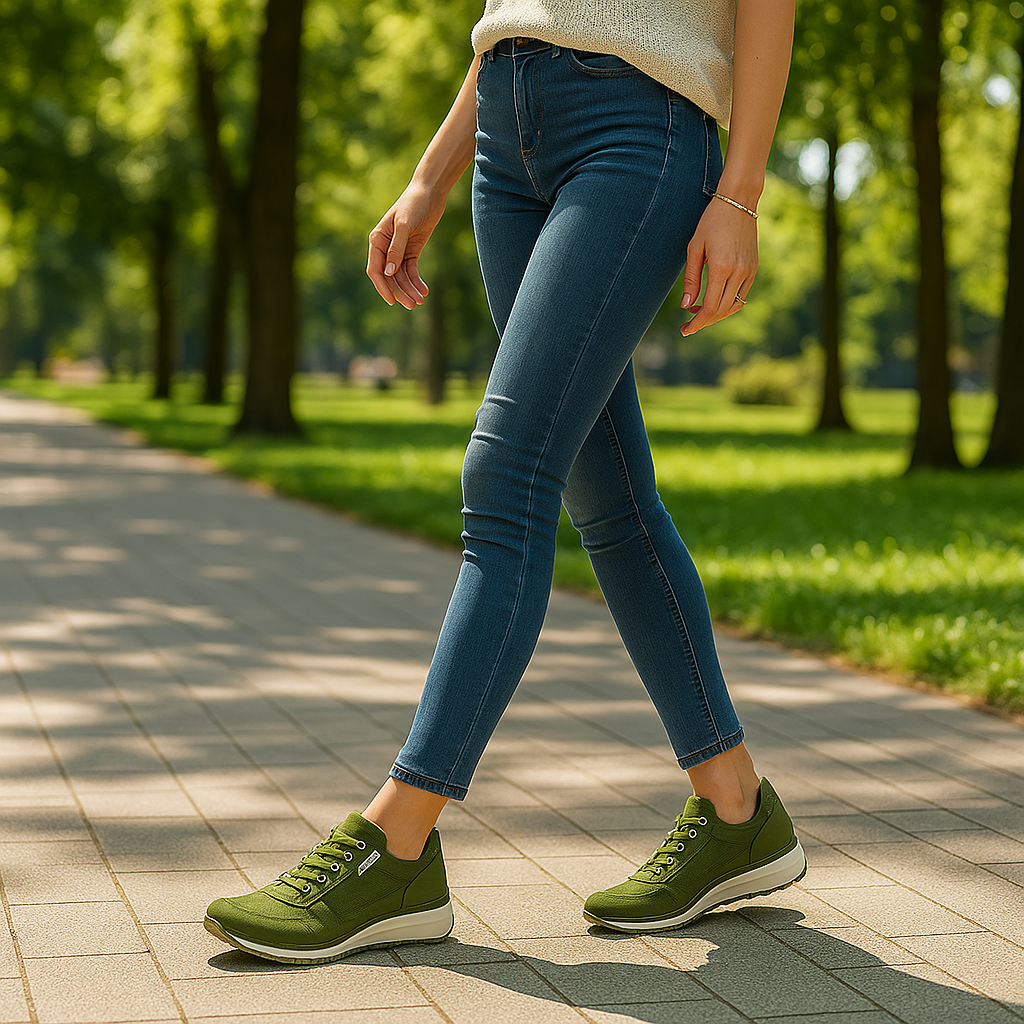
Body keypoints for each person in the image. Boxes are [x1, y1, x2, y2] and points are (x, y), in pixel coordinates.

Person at [205, 0, 804, 964]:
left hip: (637, 127)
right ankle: (738, 813)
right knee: (608, 498)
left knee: (507, 474)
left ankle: (395, 843)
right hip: (505, 133)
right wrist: (429, 173)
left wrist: (740, 193)